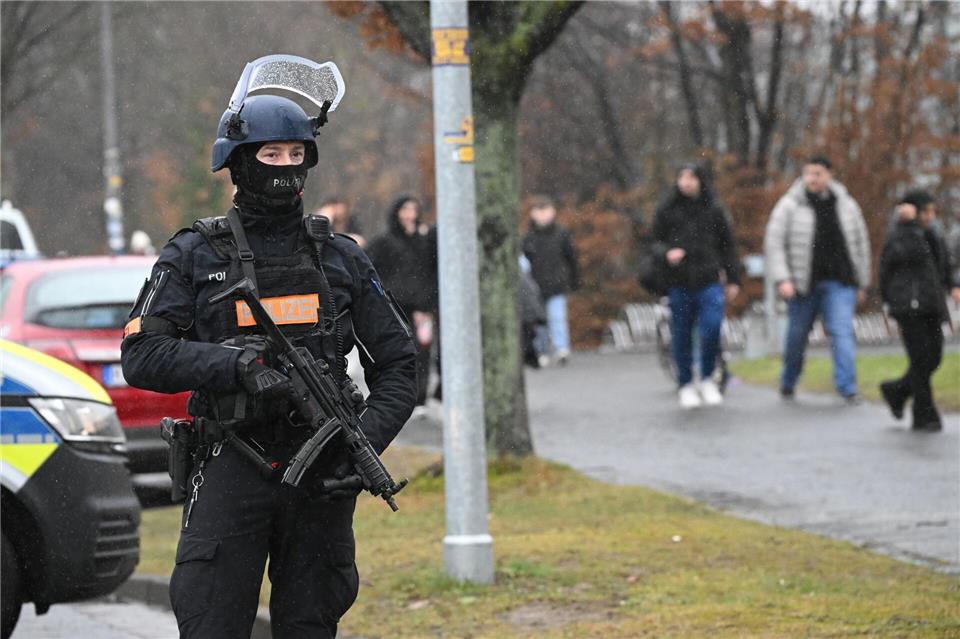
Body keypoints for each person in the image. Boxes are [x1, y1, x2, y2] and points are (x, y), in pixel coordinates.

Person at [120, 76, 418, 637]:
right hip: (233, 463)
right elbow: (142, 355)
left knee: (310, 624)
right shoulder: (194, 253)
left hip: (322, 473)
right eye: (270, 152)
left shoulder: (342, 259)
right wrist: (234, 365)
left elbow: (400, 365)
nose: (285, 164)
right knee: (212, 624)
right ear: (238, 161)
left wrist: (361, 444)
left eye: (296, 152)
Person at [764, 155, 871, 403]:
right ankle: (789, 381)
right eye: (808, 173)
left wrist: (862, 282)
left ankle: (847, 387)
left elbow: (860, 243)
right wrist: (783, 279)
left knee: (841, 331)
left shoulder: (846, 205)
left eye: (818, 173)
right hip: (803, 285)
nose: (812, 178)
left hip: (840, 282)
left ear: (830, 174)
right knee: (796, 337)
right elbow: (775, 244)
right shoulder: (789, 205)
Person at [651, 164, 740, 408]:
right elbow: (653, 242)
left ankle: (708, 377)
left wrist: (733, 279)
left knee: (711, 328)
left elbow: (728, 246)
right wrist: (667, 253)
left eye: (691, 177)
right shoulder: (667, 210)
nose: (686, 182)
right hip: (679, 281)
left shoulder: (713, 210)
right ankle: (686, 383)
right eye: (682, 177)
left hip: (709, 279)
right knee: (681, 334)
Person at [879, 191, 960, 432]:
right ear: (913, 211)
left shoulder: (934, 233)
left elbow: (943, 263)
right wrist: (910, 224)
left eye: (933, 212)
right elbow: (909, 255)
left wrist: (954, 285)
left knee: (933, 357)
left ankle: (897, 390)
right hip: (908, 305)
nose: (931, 216)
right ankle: (924, 415)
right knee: (921, 359)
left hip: (931, 304)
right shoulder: (900, 235)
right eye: (926, 212)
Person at [366, 195, 436, 404]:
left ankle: (420, 397)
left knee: (422, 352)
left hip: (420, 308)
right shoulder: (385, 241)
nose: (410, 215)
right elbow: (368, 265)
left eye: (414, 210)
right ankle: (400, 394)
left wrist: (428, 303)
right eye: (405, 210)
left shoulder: (423, 241)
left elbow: (431, 272)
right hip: (394, 306)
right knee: (399, 351)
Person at [522, 196, 579, 366]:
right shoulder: (528, 237)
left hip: (556, 284)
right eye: (539, 211)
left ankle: (561, 348)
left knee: (557, 317)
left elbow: (571, 259)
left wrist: (574, 279)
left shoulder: (561, 234)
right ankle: (541, 349)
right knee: (539, 321)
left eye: (545, 210)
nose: (542, 215)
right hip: (535, 286)